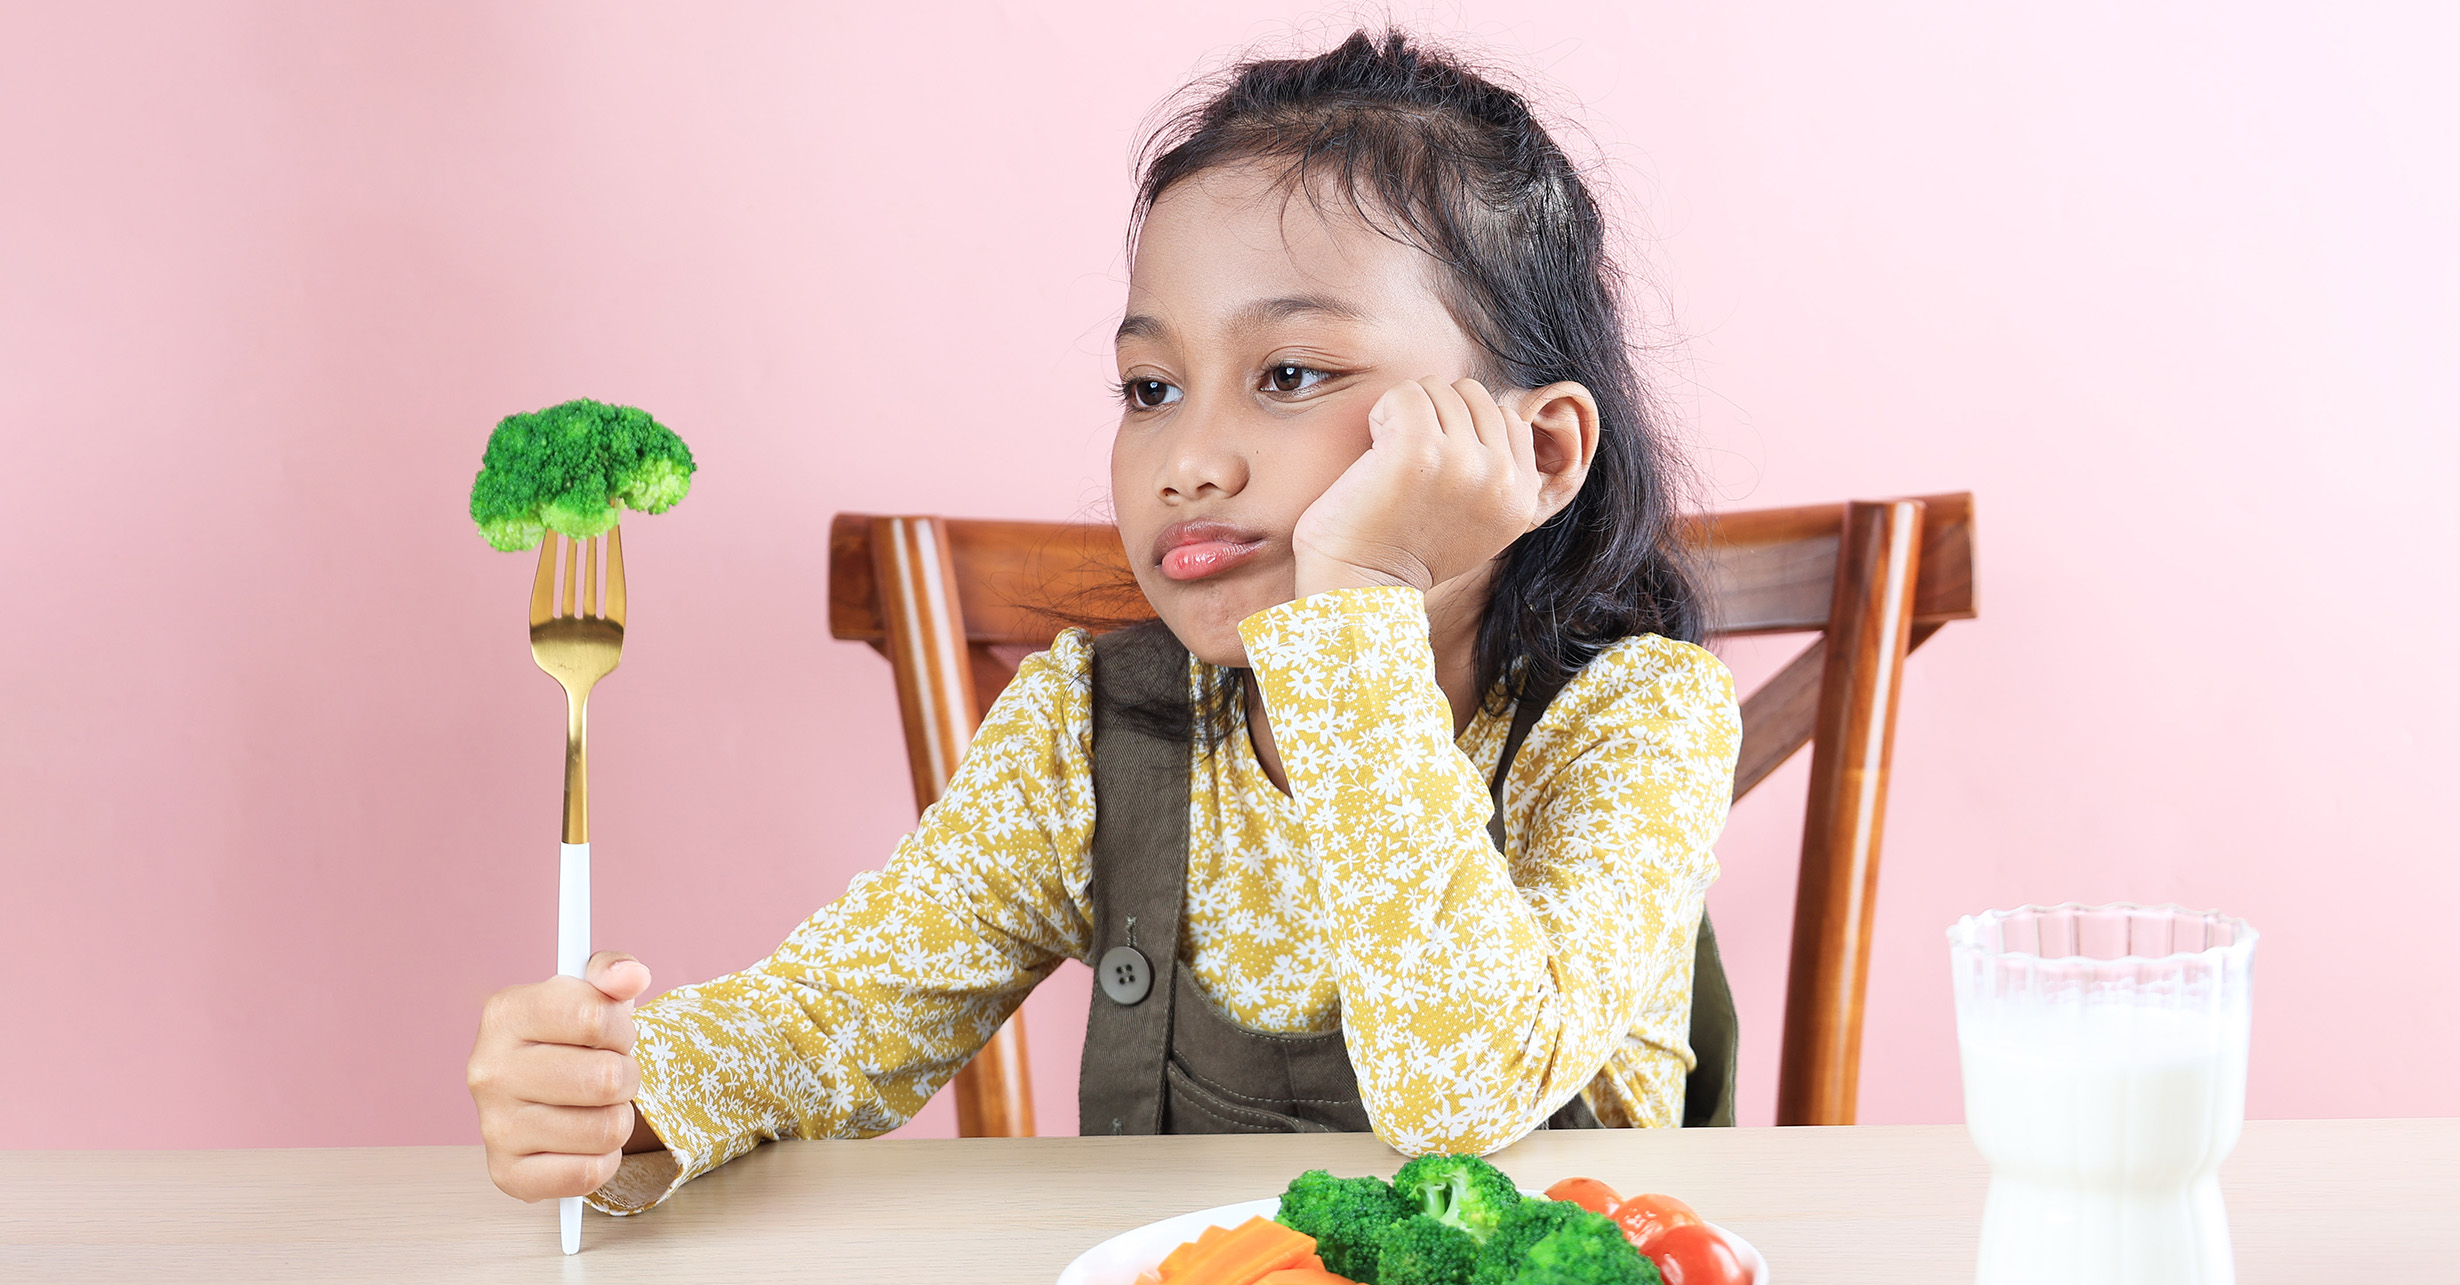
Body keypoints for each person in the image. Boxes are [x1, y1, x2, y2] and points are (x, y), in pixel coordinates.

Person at [466, 28, 1741, 1216]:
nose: (1186, 458)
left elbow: (1460, 1093)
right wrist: (624, 1089)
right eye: (1150, 386)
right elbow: (831, 1020)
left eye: (1289, 375)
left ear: (1539, 446)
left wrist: (1360, 597)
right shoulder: (1093, 731)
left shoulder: (1637, 724)